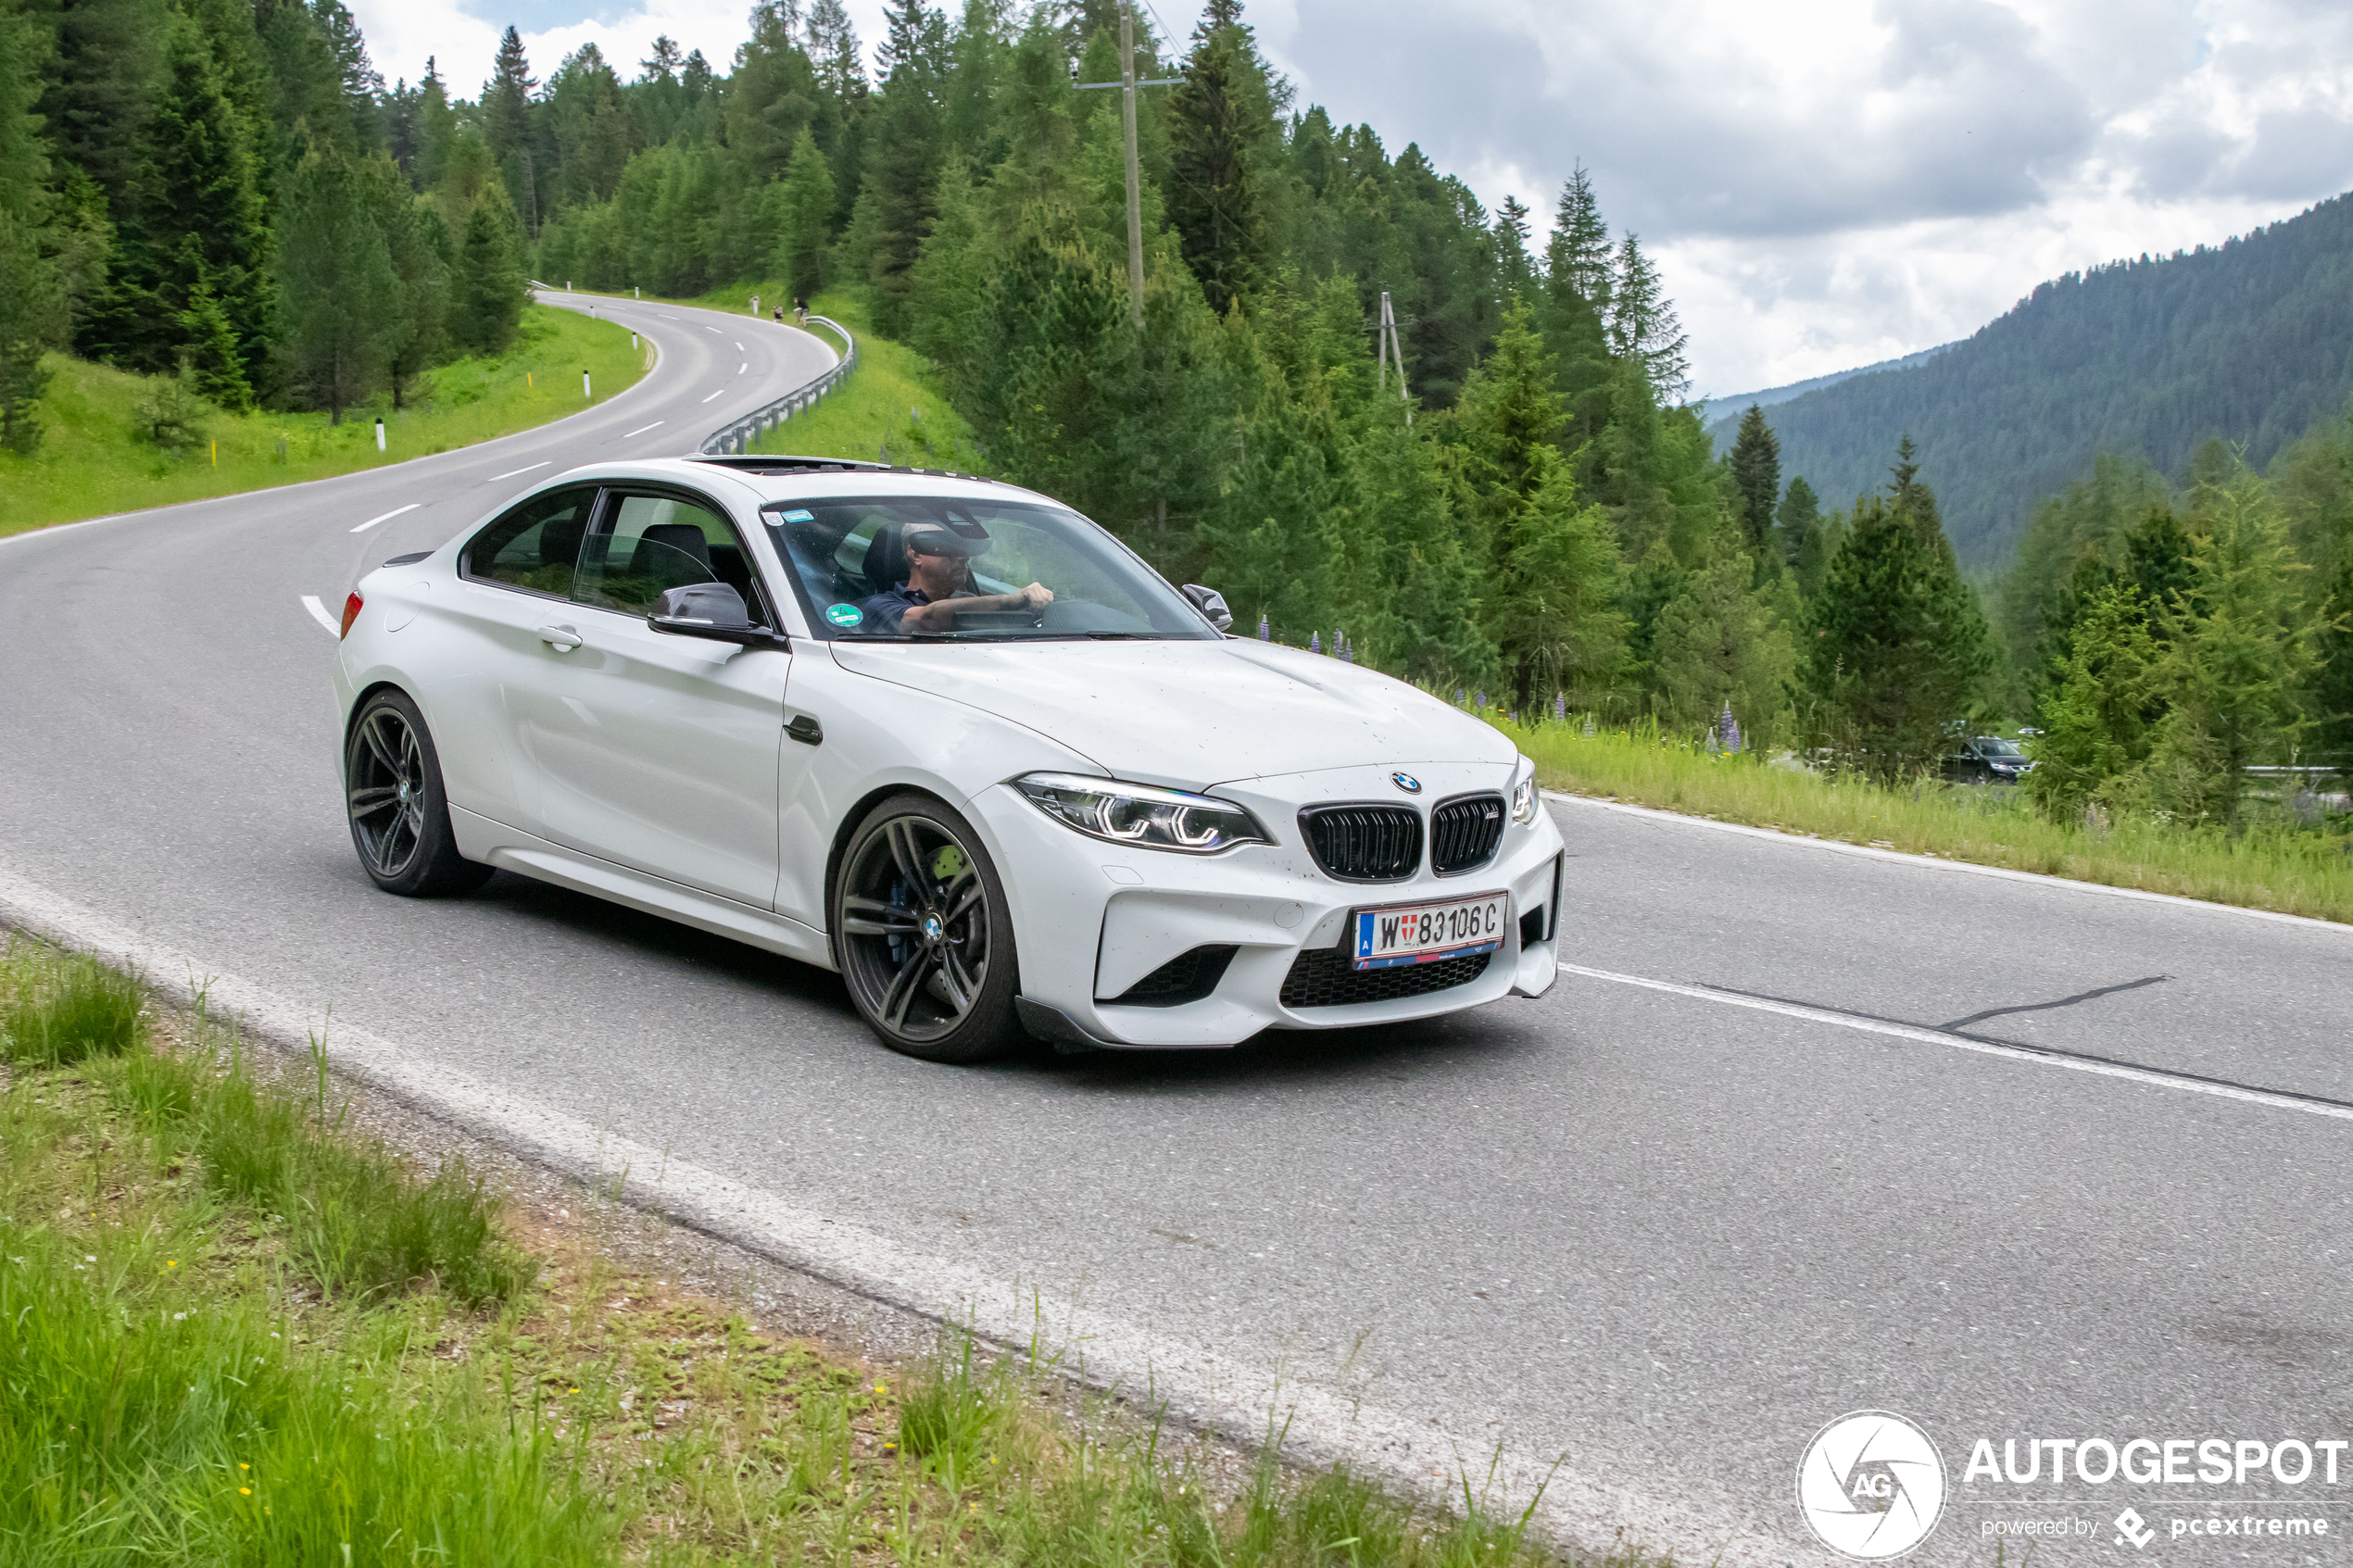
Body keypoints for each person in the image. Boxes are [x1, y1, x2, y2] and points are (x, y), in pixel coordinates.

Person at [857, 522, 1051, 633]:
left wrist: (1037, 601)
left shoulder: (972, 600)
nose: (963, 556)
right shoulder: (880, 606)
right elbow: (927, 618)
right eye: (945, 546)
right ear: (915, 555)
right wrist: (1008, 601)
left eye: (962, 547)